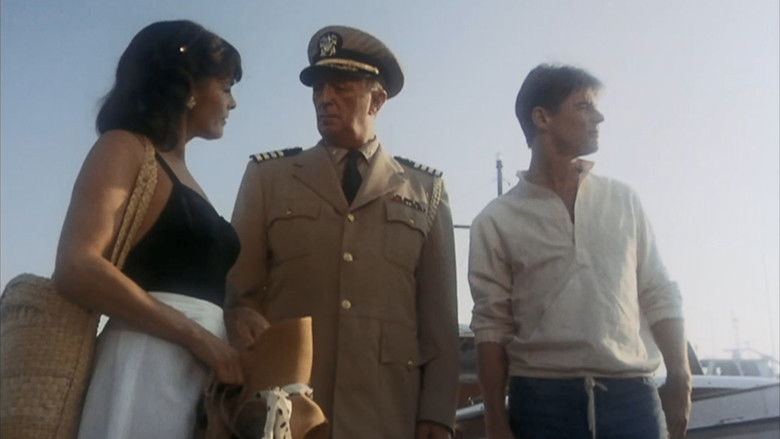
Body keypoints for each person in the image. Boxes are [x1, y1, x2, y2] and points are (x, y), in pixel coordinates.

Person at [225, 25, 459, 438]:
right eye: (318, 88)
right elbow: (239, 294)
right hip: (287, 412)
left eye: (341, 86)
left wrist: (438, 413)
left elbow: (439, 319)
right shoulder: (269, 177)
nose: (324, 97)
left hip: (387, 411)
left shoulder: (426, 190)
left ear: (377, 100)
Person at [468, 64, 692, 439]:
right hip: (541, 404)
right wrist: (494, 418)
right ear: (543, 118)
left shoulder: (623, 200)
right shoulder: (496, 220)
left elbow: (657, 290)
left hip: (633, 399)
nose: (599, 117)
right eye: (585, 106)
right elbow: (491, 325)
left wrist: (681, 376)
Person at [52, 20, 245, 438]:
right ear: (189, 86)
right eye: (226, 86)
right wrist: (196, 336)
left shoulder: (186, 174)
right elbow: (76, 266)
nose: (232, 103)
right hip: (147, 363)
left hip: (199, 367)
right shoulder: (124, 146)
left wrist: (231, 318)